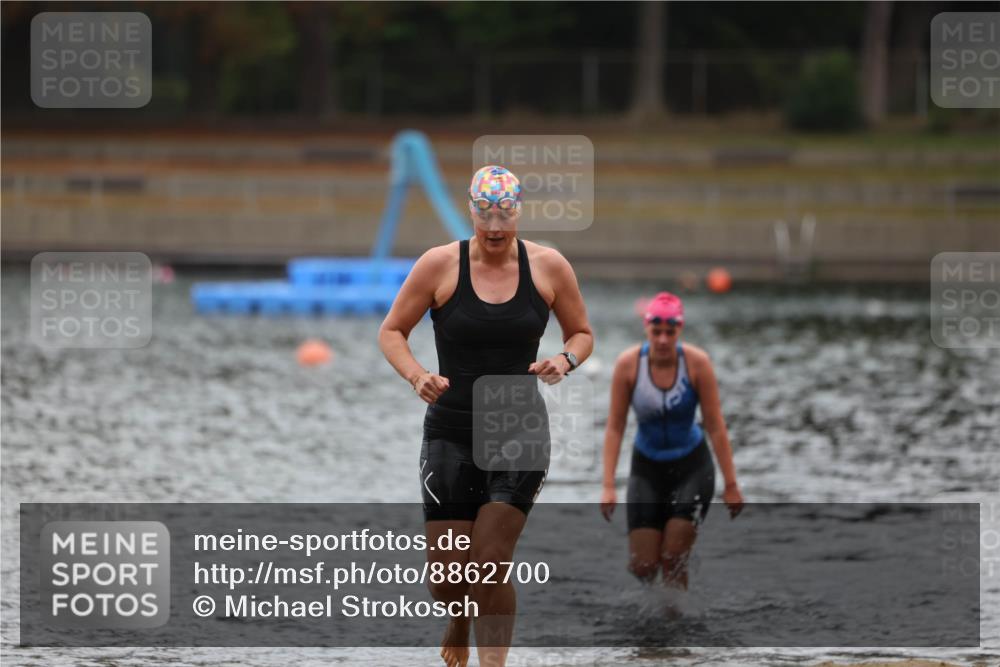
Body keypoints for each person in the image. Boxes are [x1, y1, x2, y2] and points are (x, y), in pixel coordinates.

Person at [378, 165, 593, 667]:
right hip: (450, 430)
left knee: (491, 564)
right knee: (449, 582)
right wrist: (416, 376)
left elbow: (582, 333)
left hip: (519, 430)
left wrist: (565, 360)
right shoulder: (438, 265)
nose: (495, 226)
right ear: (470, 208)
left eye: (505, 213)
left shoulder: (548, 266)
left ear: (519, 210)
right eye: (484, 213)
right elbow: (392, 331)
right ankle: (458, 618)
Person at [600, 291, 743, 590]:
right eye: (657, 331)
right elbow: (615, 426)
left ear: (680, 329)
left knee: (673, 557)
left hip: (692, 466)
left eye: (670, 332)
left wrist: (731, 485)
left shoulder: (697, 364)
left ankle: (677, 627)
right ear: (646, 328)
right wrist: (608, 485)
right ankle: (652, 626)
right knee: (644, 566)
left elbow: (716, 426)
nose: (663, 340)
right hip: (647, 468)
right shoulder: (628, 365)